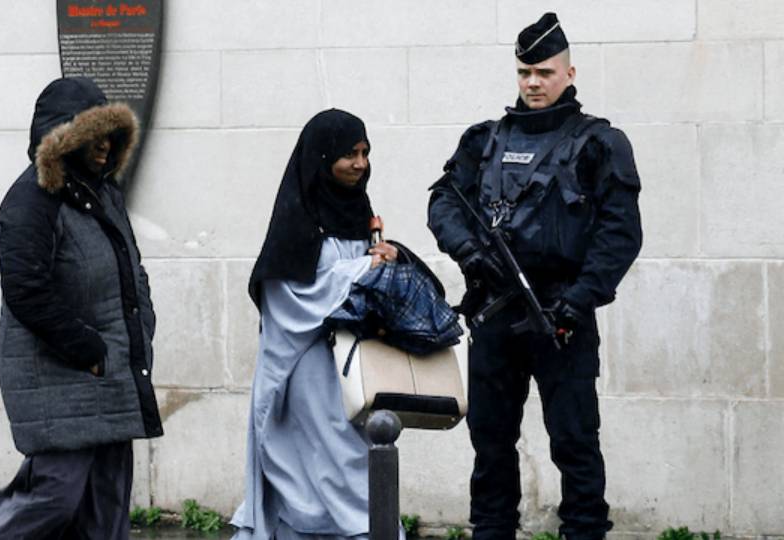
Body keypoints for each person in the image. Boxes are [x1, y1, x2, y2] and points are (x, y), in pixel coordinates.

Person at [427, 13, 642, 540]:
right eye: (524, 72)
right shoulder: (486, 140)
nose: (532, 83)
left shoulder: (599, 144)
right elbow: (444, 203)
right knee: (491, 443)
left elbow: (620, 234)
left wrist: (580, 298)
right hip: (496, 315)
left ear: (570, 73)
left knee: (574, 443)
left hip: (560, 316)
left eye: (544, 72)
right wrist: (470, 254)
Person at [0, 77, 162, 540]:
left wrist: (141, 330)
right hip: (64, 376)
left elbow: (132, 270)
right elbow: (25, 289)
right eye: (95, 135)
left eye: (112, 136)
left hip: (110, 371)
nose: (105, 146)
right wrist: (87, 349)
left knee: (106, 509)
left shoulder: (104, 194)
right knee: (51, 497)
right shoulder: (31, 199)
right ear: (64, 137)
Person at [230, 109, 399, 540]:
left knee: (350, 458)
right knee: (318, 464)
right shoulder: (297, 220)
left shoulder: (358, 211)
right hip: (304, 370)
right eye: (348, 154)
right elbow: (290, 299)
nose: (360, 164)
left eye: (365, 153)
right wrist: (362, 271)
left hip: (352, 366)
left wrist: (386, 262)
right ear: (322, 159)